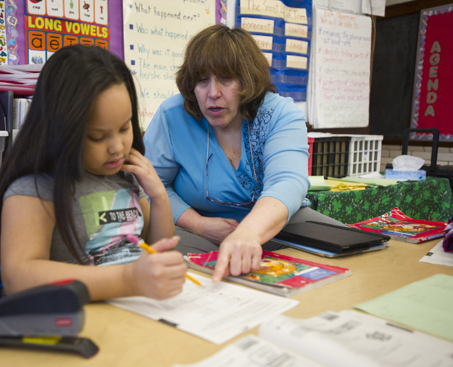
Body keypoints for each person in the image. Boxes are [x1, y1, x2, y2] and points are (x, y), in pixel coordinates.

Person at [143, 25, 343, 283]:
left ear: (247, 81)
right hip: (197, 227)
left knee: (354, 254)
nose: (212, 92)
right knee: (173, 272)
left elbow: (288, 182)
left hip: (278, 222)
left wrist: (248, 232)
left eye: (226, 79)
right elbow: (150, 185)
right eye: (202, 80)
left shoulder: (279, 113)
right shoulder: (173, 115)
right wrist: (198, 224)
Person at [0, 45, 187, 301]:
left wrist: (159, 196)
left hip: (135, 313)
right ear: (59, 128)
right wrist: (127, 280)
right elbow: (19, 277)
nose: (117, 148)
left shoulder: (124, 177)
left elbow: (156, 249)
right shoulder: (36, 188)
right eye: (97, 136)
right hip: (77, 320)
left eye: (125, 127)